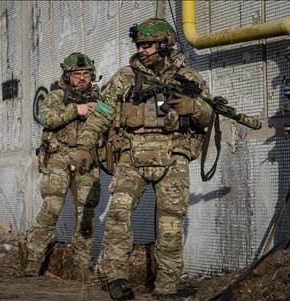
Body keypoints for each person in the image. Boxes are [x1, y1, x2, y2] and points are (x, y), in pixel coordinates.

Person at [75, 18, 213, 300]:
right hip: (132, 156)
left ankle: (166, 287)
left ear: (165, 44)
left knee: (170, 223)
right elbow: (101, 113)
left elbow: (209, 115)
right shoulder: (124, 78)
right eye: (139, 45)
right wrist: (84, 145)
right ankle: (115, 278)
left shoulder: (188, 78)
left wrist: (194, 106)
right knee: (117, 214)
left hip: (173, 155)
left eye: (148, 45)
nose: (142, 50)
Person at [20, 52, 102, 277]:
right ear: (68, 75)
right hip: (58, 159)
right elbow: (46, 118)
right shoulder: (57, 95)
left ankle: (81, 267)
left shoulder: (99, 97)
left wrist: (100, 111)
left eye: (86, 74)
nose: (82, 78)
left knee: (86, 215)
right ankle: (32, 261)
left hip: (86, 161)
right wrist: (77, 110)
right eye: (77, 74)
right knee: (51, 210)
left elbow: (111, 122)